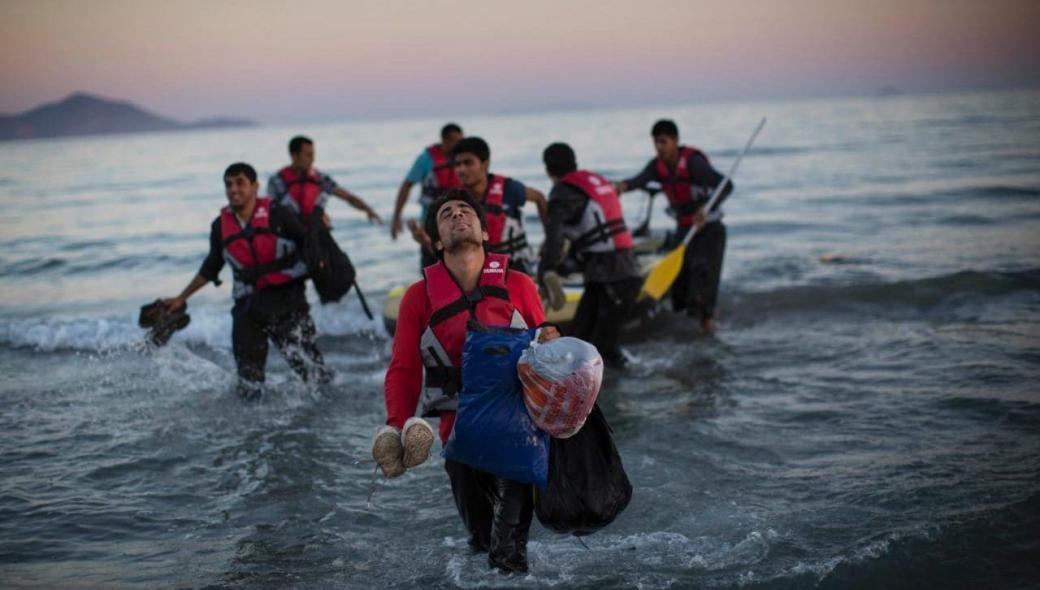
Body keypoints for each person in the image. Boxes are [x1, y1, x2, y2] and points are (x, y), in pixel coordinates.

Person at [378, 189, 552, 573]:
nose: (458, 215)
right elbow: (404, 369)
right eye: (446, 214)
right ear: (437, 241)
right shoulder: (418, 297)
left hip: (519, 436)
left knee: (507, 556)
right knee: (479, 542)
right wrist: (396, 427)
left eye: (465, 211)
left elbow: (548, 363)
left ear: (485, 232)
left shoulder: (520, 285)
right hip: (460, 439)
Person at [164, 163, 331, 398]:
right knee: (248, 384)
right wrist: (181, 298)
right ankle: (255, 432)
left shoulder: (278, 214)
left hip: (288, 303)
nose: (233, 189)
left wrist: (320, 226)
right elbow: (212, 266)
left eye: (240, 183)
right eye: (228, 184)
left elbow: (309, 244)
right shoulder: (220, 227)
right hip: (248, 309)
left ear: (255, 187)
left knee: (314, 375)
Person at [615, 119, 732, 332]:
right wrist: (621, 187)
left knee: (704, 272)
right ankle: (687, 320)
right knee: (681, 275)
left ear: (676, 141)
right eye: (656, 143)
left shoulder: (694, 164)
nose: (659, 147)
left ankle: (707, 323)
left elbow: (726, 185)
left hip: (710, 228)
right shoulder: (657, 166)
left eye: (664, 142)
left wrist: (705, 208)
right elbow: (639, 180)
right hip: (685, 227)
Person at [540, 143, 642, 369]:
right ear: (574, 163)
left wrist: (548, 269)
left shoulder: (563, 192)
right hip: (623, 271)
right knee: (581, 341)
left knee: (598, 349)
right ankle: (602, 388)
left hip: (611, 276)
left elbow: (554, 236)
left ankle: (612, 394)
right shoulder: (595, 181)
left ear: (548, 170)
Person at [450, 136, 547, 275]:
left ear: (485, 165)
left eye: (468, 163)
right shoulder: (456, 199)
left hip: (518, 264)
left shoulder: (509, 188)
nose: (461, 169)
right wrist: (424, 239)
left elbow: (539, 198)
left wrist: (549, 240)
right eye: (457, 164)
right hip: (482, 268)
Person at [390, 123, 465, 271]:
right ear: (445, 140)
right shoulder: (426, 159)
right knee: (432, 268)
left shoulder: (464, 160)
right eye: (456, 141)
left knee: (460, 267)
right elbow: (406, 186)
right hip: (431, 225)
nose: (460, 145)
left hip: (459, 223)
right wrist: (396, 217)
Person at [267, 135, 382, 226]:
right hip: (289, 232)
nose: (312, 159)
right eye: (308, 155)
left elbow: (347, 197)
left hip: (317, 230)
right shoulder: (277, 181)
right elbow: (271, 211)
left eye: (313, 154)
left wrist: (368, 210)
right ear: (294, 155)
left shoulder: (320, 179)